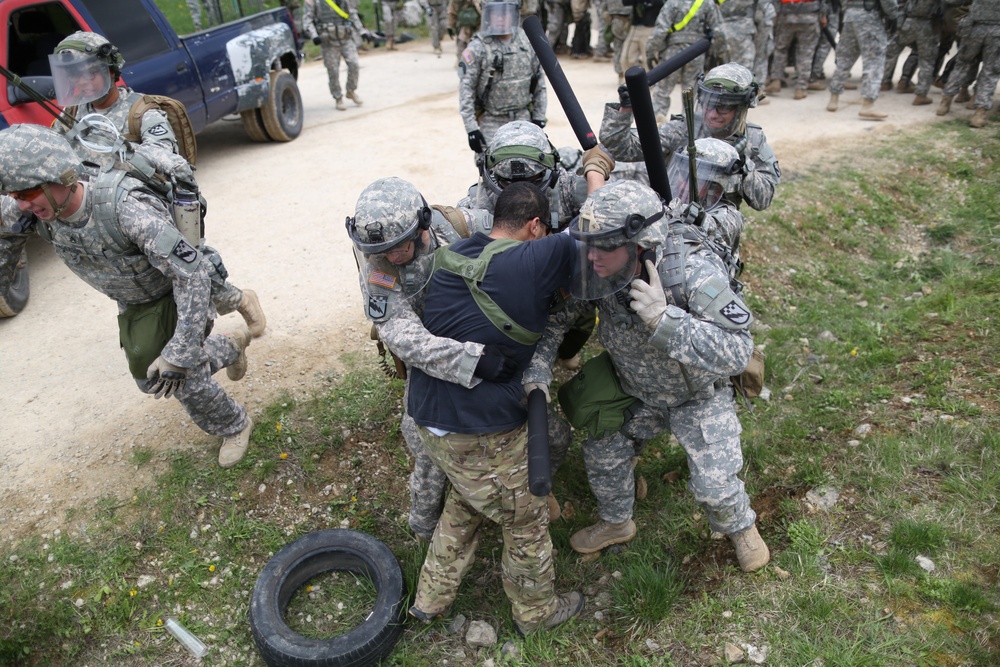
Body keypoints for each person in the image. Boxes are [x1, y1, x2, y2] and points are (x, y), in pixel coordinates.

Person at [522, 178, 769, 572]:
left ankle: (740, 528)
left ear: (640, 244)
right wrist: (537, 373)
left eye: (604, 247)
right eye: (589, 247)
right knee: (602, 455)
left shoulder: (690, 273)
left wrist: (664, 321)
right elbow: (556, 322)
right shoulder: (598, 267)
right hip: (635, 389)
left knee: (715, 488)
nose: (592, 259)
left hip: (697, 394)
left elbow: (738, 351)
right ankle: (617, 522)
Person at [0, 124, 254, 468]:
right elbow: (6, 232)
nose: (22, 204)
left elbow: (192, 275)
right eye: (15, 196)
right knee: (150, 379)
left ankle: (234, 424)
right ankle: (229, 345)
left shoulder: (127, 209)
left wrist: (179, 353)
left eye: (27, 194)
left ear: (60, 178)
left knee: (179, 377)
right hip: (135, 300)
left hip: (178, 294)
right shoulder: (32, 208)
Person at [406, 181, 585, 635]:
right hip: (478, 430)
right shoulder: (532, 256)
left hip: (430, 419)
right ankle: (536, 614)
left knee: (470, 497)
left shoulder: (462, 252)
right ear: (534, 225)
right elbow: (592, 231)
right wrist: (596, 168)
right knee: (525, 515)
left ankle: (430, 597)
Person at [46, 31, 266, 337]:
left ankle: (238, 300)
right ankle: (156, 333)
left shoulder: (143, 113)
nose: (80, 84)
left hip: (148, 207)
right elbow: (51, 150)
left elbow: (165, 156)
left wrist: (122, 150)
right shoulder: (72, 114)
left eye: (88, 75)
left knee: (188, 265)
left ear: (110, 72)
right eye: (73, 77)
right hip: (102, 213)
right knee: (129, 276)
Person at [347, 177, 495, 539]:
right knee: (426, 445)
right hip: (434, 354)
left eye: (399, 247)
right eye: (380, 250)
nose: (390, 256)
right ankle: (424, 527)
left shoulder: (460, 225)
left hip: (476, 333)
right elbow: (403, 337)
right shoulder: (379, 266)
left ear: (423, 225)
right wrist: (471, 361)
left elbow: (513, 236)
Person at [601, 62, 780, 212]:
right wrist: (625, 110)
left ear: (742, 107)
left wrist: (741, 165)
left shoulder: (753, 140)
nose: (712, 114)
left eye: (724, 107)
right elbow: (622, 148)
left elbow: (763, 200)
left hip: (718, 231)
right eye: (707, 104)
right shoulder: (684, 129)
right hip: (672, 220)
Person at [459, 0, 547, 156]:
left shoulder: (527, 41)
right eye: (495, 14)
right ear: (488, 15)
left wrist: (539, 117)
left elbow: (539, 82)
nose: (500, 18)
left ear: (513, 14)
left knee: (529, 164)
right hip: (492, 120)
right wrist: (471, 128)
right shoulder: (478, 47)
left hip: (523, 118)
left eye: (504, 14)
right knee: (492, 169)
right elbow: (466, 89)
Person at [646, 0, 722, 120]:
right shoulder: (707, 3)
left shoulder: (672, 3)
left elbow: (660, 31)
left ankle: (656, 126)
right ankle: (688, 127)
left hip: (672, 55)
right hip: (695, 53)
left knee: (662, 91)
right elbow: (718, 31)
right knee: (691, 94)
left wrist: (650, 52)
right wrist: (720, 54)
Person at [825, 0, 900, 119]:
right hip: (869, 16)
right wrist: (893, 15)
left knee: (845, 59)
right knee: (874, 61)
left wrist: (849, 10)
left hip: (850, 16)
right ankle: (868, 105)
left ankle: (834, 99)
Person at [936, 0, 999, 129]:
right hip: (996, 32)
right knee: (989, 72)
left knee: (962, 65)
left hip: (973, 29)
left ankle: (945, 103)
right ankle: (979, 114)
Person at [303, 0, 364, 110]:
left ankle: (351, 90)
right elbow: (307, 20)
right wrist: (314, 35)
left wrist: (362, 31)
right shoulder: (312, 1)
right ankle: (338, 97)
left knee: (354, 64)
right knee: (333, 70)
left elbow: (352, 13)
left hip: (345, 37)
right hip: (328, 41)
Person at [879, 0, 941, 106]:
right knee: (926, 61)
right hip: (927, 26)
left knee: (891, 53)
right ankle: (921, 95)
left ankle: (884, 82)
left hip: (907, 23)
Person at [767, 0, 827, 100]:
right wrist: (823, 14)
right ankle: (801, 88)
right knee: (805, 52)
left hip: (786, 15)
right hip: (809, 16)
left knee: (780, 49)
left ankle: (776, 80)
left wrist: (776, 14)